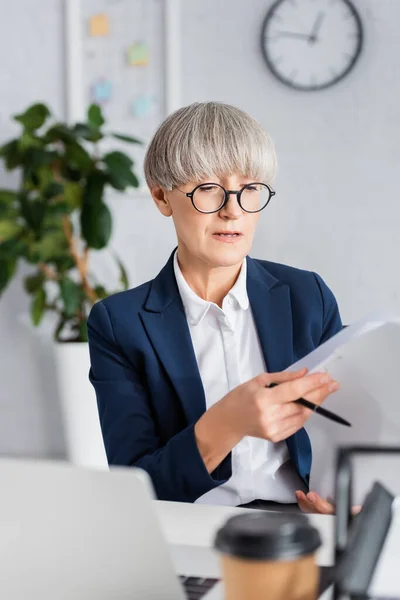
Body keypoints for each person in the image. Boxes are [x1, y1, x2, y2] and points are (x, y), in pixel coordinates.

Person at [87, 102, 341, 513]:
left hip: (300, 526)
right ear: (160, 196)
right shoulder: (119, 324)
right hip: (191, 527)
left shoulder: (307, 295)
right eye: (208, 188)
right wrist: (227, 422)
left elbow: (349, 435)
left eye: (251, 188)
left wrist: (343, 501)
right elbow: (135, 487)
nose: (233, 209)